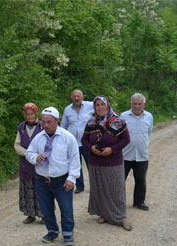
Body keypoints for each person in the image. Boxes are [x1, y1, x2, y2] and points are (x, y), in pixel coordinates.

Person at [26, 107, 80, 245]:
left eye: (49, 122)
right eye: (44, 122)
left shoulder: (68, 138)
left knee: (66, 208)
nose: (46, 125)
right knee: (46, 208)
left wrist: (71, 179)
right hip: (42, 180)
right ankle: (52, 231)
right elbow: (29, 153)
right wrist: (35, 157)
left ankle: (68, 233)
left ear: (57, 120)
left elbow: (75, 160)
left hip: (61, 180)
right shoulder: (39, 138)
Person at [81, 95, 132, 231]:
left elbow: (126, 140)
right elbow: (84, 140)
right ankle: (103, 213)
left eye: (102, 104)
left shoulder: (118, 121)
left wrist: (112, 149)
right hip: (95, 161)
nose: (100, 107)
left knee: (116, 189)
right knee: (99, 189)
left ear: (107, 105)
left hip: (113, 161)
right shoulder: (91, 122)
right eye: (97, 105)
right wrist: (91, 148)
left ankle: (121, 216)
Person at [121, 93, 154, 211]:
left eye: (140, 104)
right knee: (120, 180)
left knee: (140, 180)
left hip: (142, 155)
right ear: (131, 104)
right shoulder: (123, 116)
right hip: (125, 155)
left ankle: (139, 202)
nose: (137, 106)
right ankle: (119, 203)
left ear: (144, 104)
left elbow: (149, 132)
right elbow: (119, 134)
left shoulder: (149, 116)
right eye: (134, 104)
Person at [61, 89, 95, 194]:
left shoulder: (91, 106)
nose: (76, 98)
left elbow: (102, 112)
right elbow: (63, 126)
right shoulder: (67, 110)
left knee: (91, 164)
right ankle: (80, 186)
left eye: (78, 96)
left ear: (82, 97)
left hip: (87, 142)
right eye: (74, 96)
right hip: (73, 143)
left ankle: (95, 186)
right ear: (71, 98)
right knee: (76, 165)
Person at [14, 102, 43, 224]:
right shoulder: (21, 127)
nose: (30, 116)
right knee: (27, 189)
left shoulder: (42, 126)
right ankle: (30, 214)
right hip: (26, 163)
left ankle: (44, 215)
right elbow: (17, 145)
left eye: (32, 114)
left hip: (39, 162)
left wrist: (37, 156)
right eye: (27, 114)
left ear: (36, 113)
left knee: (41, 189)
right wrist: (27, 154)